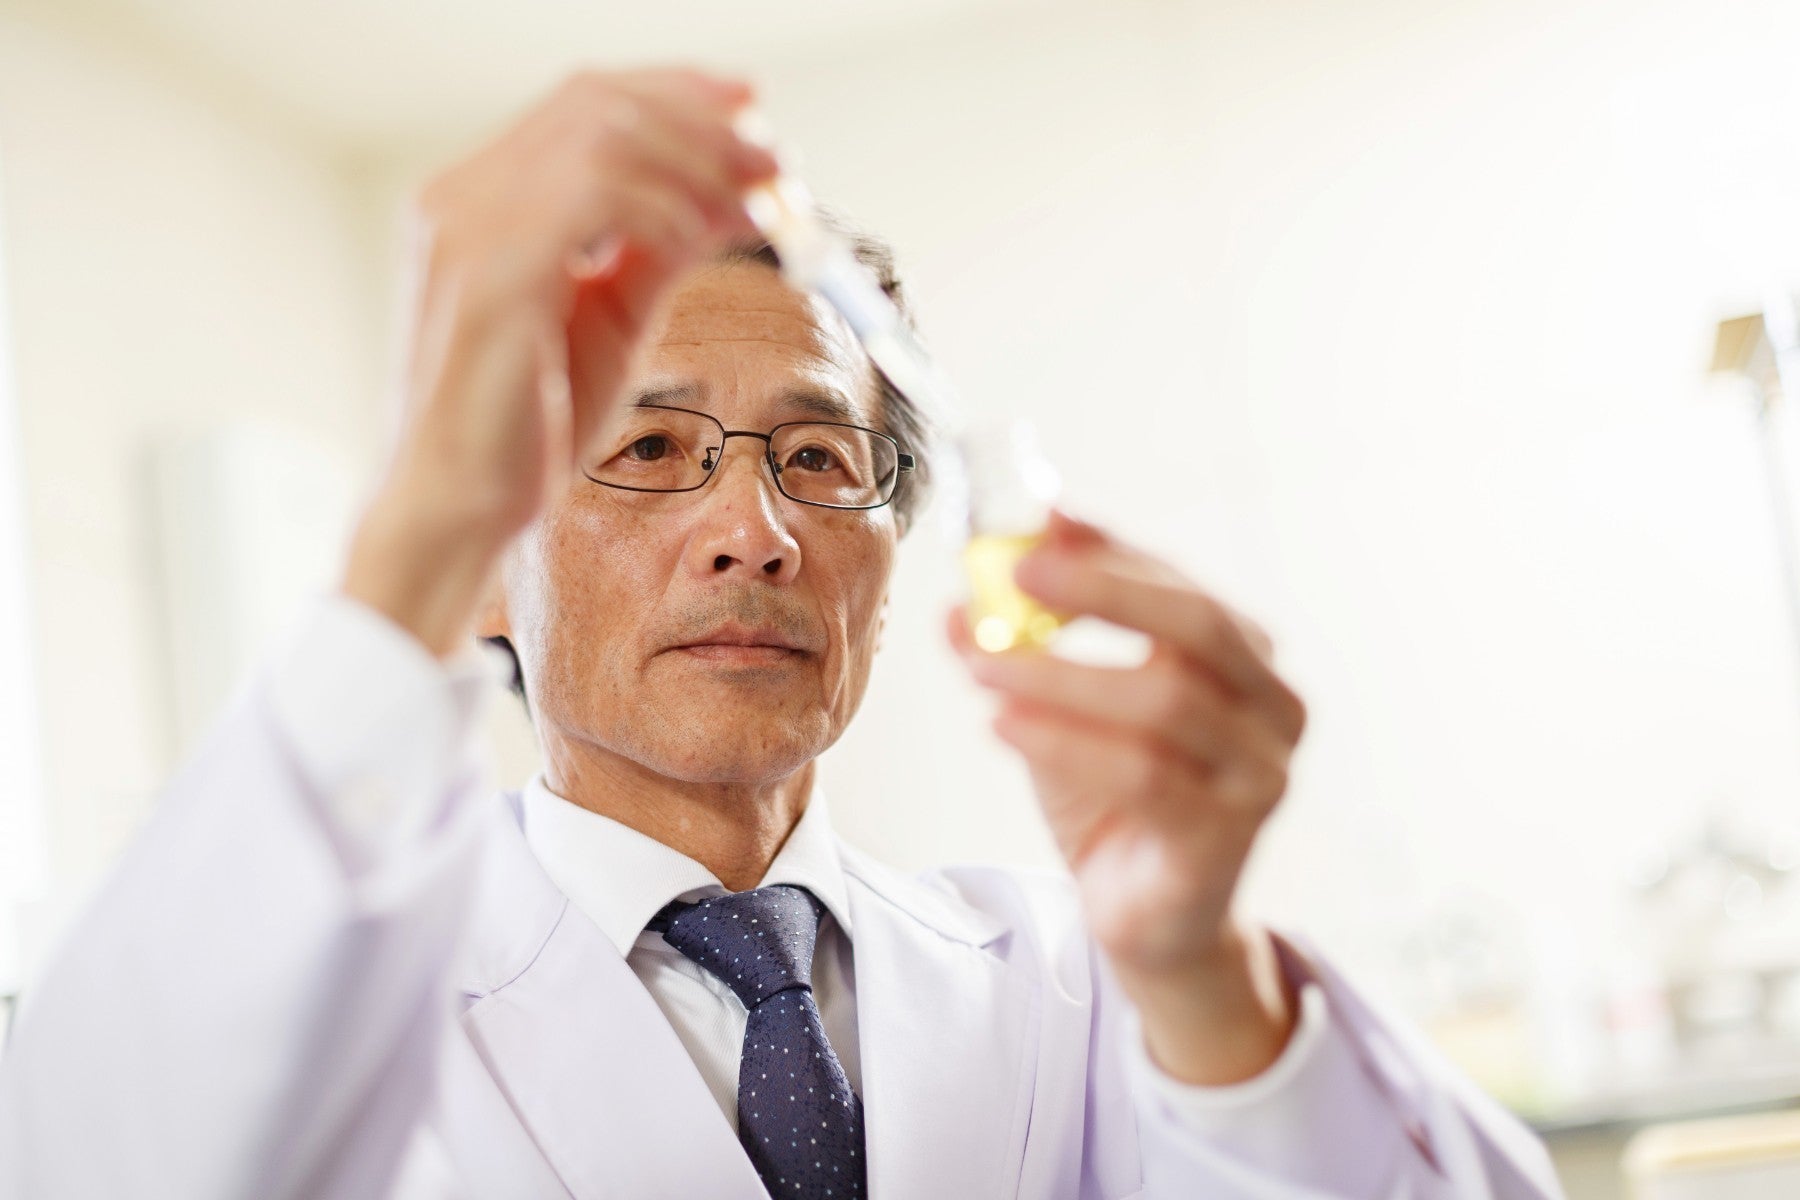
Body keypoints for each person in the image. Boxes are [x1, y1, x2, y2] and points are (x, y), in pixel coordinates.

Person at [0, 68, 1563, 1199]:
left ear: (888, 559)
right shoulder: (333, 999)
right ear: (486, 569)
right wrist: (403, 547)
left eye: (817, 459)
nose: (754, 529)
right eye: (648, 446)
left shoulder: (1088, 979)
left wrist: (1206, 975)